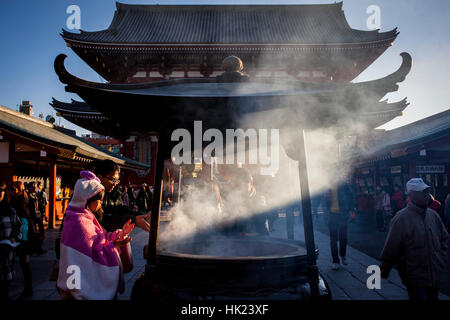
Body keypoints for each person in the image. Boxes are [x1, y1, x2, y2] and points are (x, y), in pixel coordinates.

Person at [57, 171, 134, 300]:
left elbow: (101, 239)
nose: (101, 203)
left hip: (78, 278)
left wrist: (120, 234)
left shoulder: (84, 216)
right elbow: (92, 253)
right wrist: (114, 245)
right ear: (87, 198)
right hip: (80, 283)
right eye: (99, 199)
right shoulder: (79, 222)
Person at [380, 178, 449, 301]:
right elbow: (391, 247)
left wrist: (440, 258)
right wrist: (384, 270)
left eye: (427, 191)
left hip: (435, 275)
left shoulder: (433, 215)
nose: (426, 195)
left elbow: (444, 237)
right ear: (411, 195)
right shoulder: (401, 218)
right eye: (421, 192)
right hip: (414, 277)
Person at [88, 160, 150, 233]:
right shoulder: (90, 195)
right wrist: (134, 220)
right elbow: (102, 220)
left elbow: (120, 209)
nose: (114, 184)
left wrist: (142, 216)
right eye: (112, 180)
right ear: (100, 177)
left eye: (116, 181)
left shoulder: (113, 193)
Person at [324, 178, 356, 270]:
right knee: (333, 240)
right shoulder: (327, 186)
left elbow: (351, 196)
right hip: (331, 216)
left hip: (342, 215)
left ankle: (343, 255)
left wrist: (351, 209)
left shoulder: (343, 185)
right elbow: (322, 201)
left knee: (343, 238)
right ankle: (335, 260)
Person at [0, 182, 22, 300]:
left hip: (5, 249)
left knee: (4, 283)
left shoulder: (9, 210)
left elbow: (18, 227)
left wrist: (14, 237)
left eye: (1, 191)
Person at [26, 182, 45, 254]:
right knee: (33, 233)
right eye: (34, 186)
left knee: (40, 231)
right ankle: (37, 249)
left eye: (36, 186)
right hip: (31, 216)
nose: (36, 187)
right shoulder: (27, 196)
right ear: (30, 187)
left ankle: (38, 248)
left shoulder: (37, 195)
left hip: (38, 214)